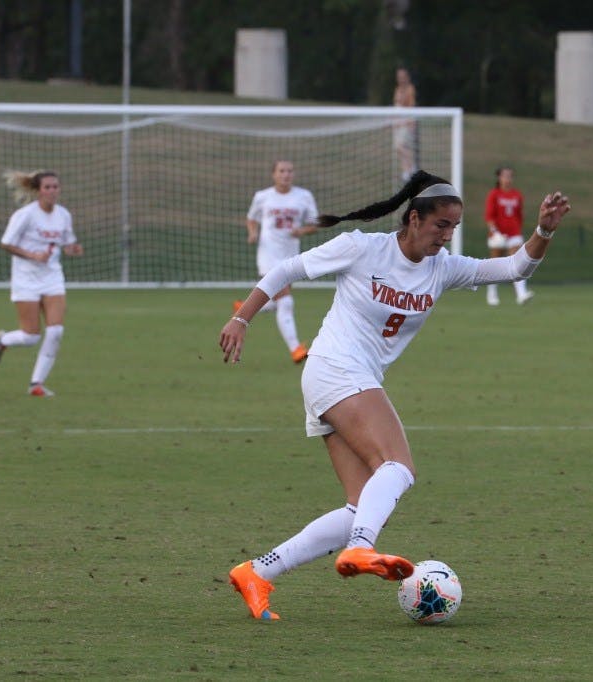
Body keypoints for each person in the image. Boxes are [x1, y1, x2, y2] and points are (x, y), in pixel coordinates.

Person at [218, 171, 571, 620]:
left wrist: (543, 230)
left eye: (454, 229)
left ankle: (257, 572)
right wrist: (243, 319)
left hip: (344, 379)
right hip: (335, 369)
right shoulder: (363, 247)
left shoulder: (442, 269)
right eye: (440, 225)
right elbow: (288, 269)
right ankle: (361, 549)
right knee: (398, 466)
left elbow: (515, 267)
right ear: (413, 219)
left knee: (359, 505)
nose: (446, 236)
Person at [0, 170, 83, 397]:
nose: (52, 191)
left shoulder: (63, 215)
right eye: (47, 187)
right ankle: (3, 341)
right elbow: (6, 243)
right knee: (31, 337)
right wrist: (32, 256)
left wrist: (73, 249)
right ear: (38, 191)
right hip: (26, 279)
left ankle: (36, 384)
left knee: (56, 331)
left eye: (55, 187)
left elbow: (67, 242)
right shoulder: (25, 215)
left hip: (52, 278)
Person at [234, 160, 319, 364]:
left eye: (290, 171)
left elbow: (315, 224)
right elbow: (251, 218)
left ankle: (243, 307)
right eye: (281, 171)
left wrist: (302, 230)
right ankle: (296, 349)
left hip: (290, 256)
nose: (286, 174)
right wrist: (253, 232)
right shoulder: (262, 197)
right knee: (285, 301)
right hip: (268, 255)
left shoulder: (304, 196)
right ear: (274, 174)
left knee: (274, 300)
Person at [484, 166, 534, 305]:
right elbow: (489, 216)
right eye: (505, 176)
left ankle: (521, 294)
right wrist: (495, 232)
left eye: (510, 176)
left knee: (518, 262)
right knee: (495, 264)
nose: (507, 179)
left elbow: (519, 215)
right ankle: (492, 293)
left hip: (514, 233)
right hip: (498, 234)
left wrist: (518, 229)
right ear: (499, 178)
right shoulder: (494, 194)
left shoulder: (517, 195)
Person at [392, 67, 417, 182]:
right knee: (398, 148)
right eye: (399, 77)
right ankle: (406, 172)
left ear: (407, 77)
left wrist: (409, 122)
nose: (401, 79)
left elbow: (411, 107)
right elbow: (396, 106)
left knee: (401, 145)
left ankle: (412, 168)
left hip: (406, 122)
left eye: (403, 77)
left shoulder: (410, 89)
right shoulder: (397, 89)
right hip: (397, 122)